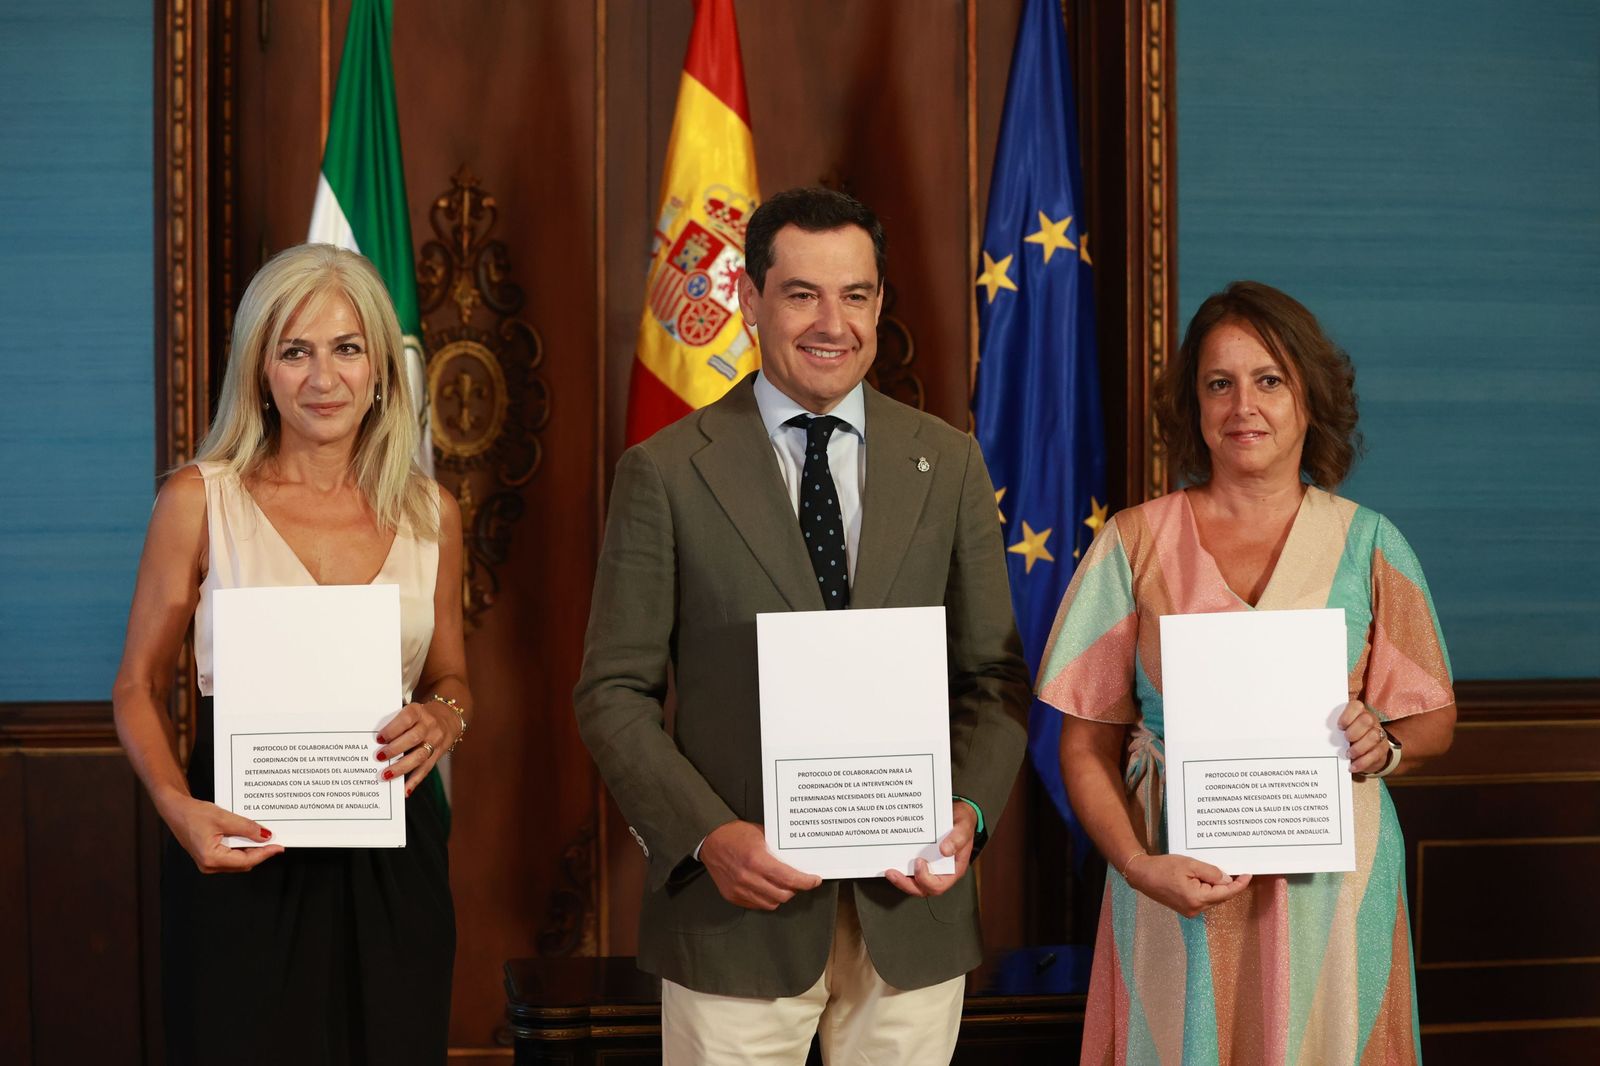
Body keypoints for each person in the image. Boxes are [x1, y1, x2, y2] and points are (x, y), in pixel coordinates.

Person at [575, 186, 1029, 1065]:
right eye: (802, 294)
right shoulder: (665, 474)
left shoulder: (950, 462)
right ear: (750, 300)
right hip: (735, 915)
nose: (833, 322)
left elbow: (994, 677)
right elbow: (612, 693)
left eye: (855, 295)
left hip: (913, 913)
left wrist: (969, 810)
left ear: (880, 303)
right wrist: (709, 837)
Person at [1037, 280, 1456, 1064]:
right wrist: (1136, 867)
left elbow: (1433, 720)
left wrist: (1384, 744)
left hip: (1334, 885)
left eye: (1269, 380)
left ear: (1309, 397)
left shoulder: (1370, 544)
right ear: (1194, 405)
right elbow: (1082, 746)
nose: (1243, 406)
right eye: (1219, 384)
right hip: (1172, 874)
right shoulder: (1134, 542)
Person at [112, 243, 471, 1065]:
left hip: (395, 856)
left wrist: (445, 720)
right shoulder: (200, 500)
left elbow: (453, 679)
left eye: (347, 349)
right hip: (239, 846)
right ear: (259, 371)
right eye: (295, 351)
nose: (323, 377)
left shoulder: (432, 513)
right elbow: (135, 685)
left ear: (381, 369)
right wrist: (178, 812)